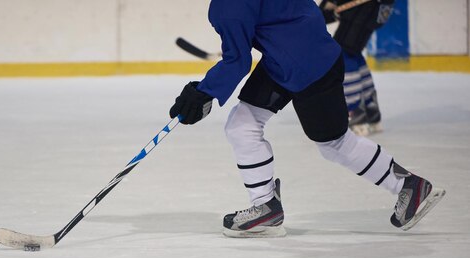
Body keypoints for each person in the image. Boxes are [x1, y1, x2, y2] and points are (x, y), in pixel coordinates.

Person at [169, 0, 445, 238]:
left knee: (334, 144)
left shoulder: (228, 8)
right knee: (242, 124)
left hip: (312, 66)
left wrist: (202, 93)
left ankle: (409, 185)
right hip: (288, 57)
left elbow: (237, 62)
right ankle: (265, 206)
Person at [319, 0, 395, 136]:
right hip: (377, 8)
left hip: (367, 7)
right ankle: (370, 110)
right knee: (351, 51)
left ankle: (355, 112)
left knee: (344, 53)